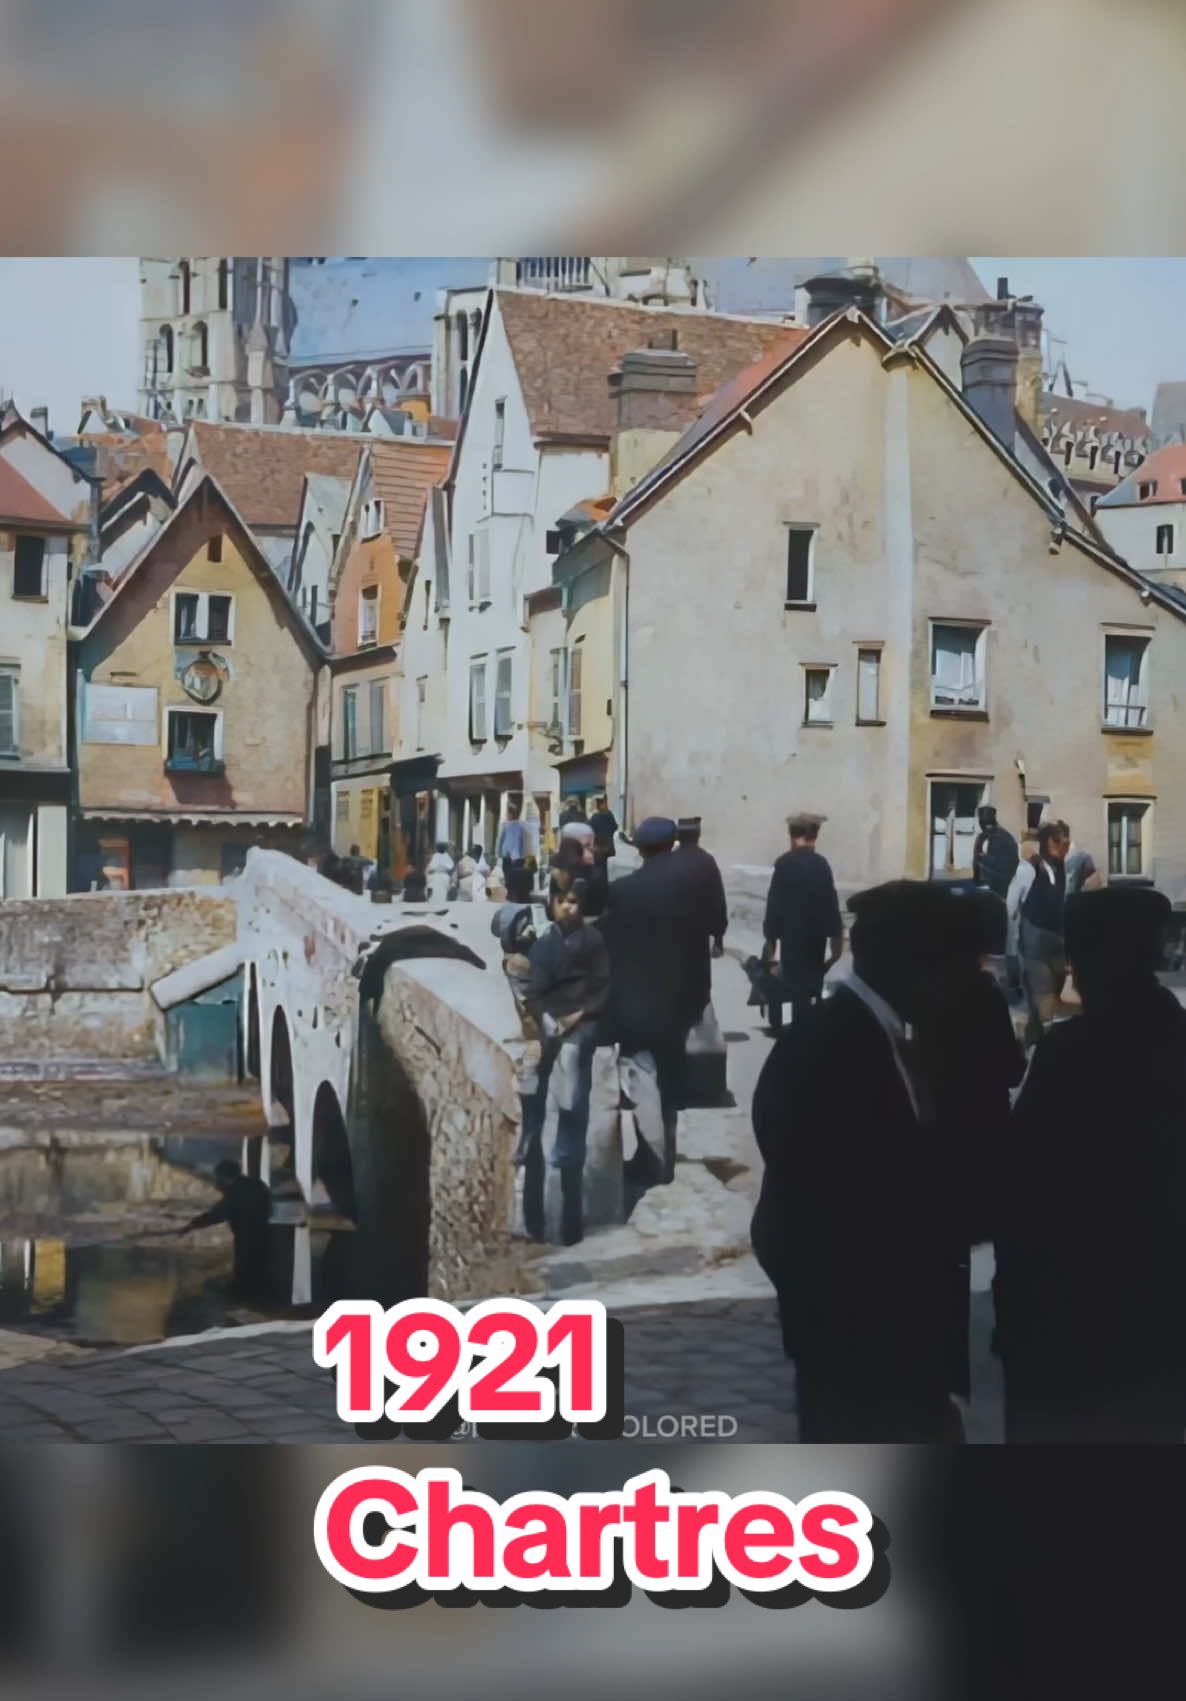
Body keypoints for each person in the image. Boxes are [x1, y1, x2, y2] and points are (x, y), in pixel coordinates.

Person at [751, 880, 966, 1442]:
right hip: (859, 1345)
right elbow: (793, 1212)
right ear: (912, 963)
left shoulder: (890, 1039)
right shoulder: (828, 1047)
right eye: (949, 962)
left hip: (892, 1343)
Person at [994, 886, 1186, 1441]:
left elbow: (1020, 1190)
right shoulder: (1175, 1045)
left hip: (1068, 1329)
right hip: (1155, 1328)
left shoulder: (1070, 1056)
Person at [912, 887, 1026, 1402]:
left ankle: (947, 1354)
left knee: (946, 1253)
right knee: (1006, 1237)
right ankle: (1005, 1322)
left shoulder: (922, 994)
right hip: (984, 1130)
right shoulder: (982, 994)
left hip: (938, 1134)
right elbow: (1011, 1067)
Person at [599, 816, 703, 1182]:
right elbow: (697, 953)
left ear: (639, 849)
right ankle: (667, 1156)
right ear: (671, 845)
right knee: (671, 1085)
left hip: (634, 1005)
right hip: (674, 1007)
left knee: (641, 1082)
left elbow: (609, 949)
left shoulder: (623, 890)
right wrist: (697, 1003)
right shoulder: (686, 893)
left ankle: (649, 1158)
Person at [521, 879, 611, 1245]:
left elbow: (603, 988)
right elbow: (535, 993)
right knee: (539, 1109)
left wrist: (578, 1016)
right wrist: (548, 1022)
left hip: (581, 1024)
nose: (568, 908)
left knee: (571, 1102)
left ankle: (569, 1222)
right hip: (551, 1026)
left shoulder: (593, 942)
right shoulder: (545, 945)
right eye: (562, 902)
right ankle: (538, 1219)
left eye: (574, 902)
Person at [761, 813, 844, 1034]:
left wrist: (770, 942)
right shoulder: (821, 865)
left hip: (792, 938)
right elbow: (831, 904)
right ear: (814, 837)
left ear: (791, 835)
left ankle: (799, 1031)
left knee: (795, 985)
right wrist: (836, 944)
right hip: (816, 939)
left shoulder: (784, 864)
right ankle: (810, 1028)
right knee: (812, 985)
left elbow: (774, 905)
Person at [1007, 820, 1070, 1045]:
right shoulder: (1029, 867)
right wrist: (1011, 947)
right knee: (1043, 994)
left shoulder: (1063, 867)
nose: (1063, 845)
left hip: (1056, 939)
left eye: (1066, 840)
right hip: (1034, 936)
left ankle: (1033, 1043)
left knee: (1052, 991)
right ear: (1045, 842)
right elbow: (1012, 905)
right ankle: (1045, 1044)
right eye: (1057, 840)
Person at [180, 1159, 273, 1299]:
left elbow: (218, 1213)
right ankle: (259, 1296)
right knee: (260, 1266)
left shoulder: (235, 1191)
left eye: (219, 1177)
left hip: (247, 1235)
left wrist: (193, 1225)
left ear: (224, 1177)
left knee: (246, 1267)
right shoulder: (256, 1185)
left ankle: (247, 1298)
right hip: (266, 1232)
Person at [673, 816, 728, 1021]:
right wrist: (719, 938)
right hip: (698, 937)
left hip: (673, 934)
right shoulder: (707, 862)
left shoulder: (670, 861)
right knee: (698, 984)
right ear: (698, 835)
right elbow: (718, 902)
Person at [972, 806, 1019, 900]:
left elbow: (978, 862)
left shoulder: (984, 837)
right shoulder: (1007, 836)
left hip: (990, 886)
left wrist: (983, 859)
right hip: (1004, 887)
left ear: (981, 822)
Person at [496, 802, 532, 876]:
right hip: (510, 855)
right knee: (509, 873)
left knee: (510, 874)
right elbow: (502, 840)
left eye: (508, 813)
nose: (507, 815)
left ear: (512, 814)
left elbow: (521, 841)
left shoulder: (518, 826)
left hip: (513, 855)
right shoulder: (507, 825)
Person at [589, 796, 620, 866]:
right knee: (607, 869)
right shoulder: (610, 814)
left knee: (599, 869)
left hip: (599, 849)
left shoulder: (595, 817)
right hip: (609, 847)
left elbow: (588, 828)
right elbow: (615, 827)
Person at [426, 841, 455, 905]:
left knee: (435, 893)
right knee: (443, 893)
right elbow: (451, 866)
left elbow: (431, 866)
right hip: (445, 876)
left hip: (436, 876)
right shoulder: (447, 856)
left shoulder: (435, 856)